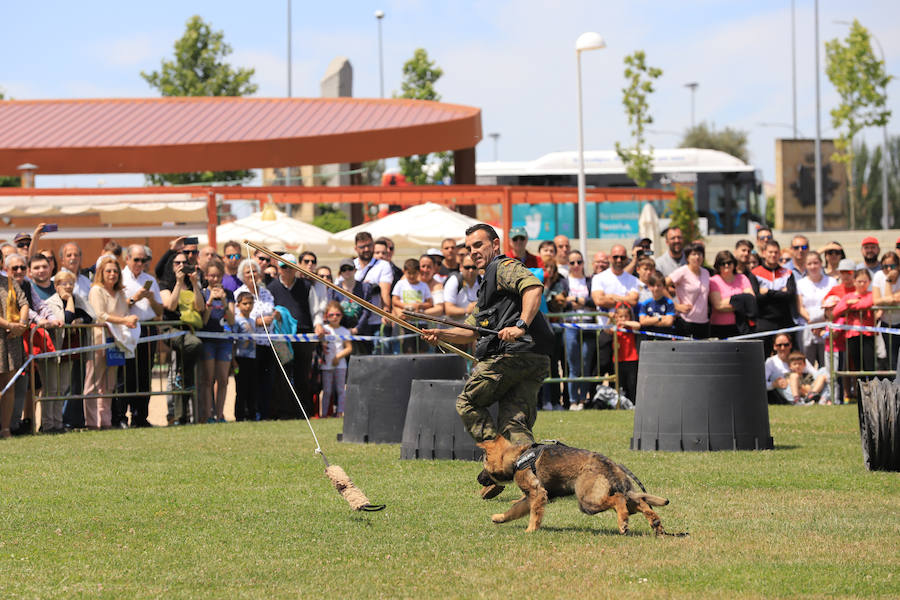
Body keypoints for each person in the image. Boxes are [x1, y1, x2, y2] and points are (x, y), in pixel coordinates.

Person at [421, 223, 552, 500]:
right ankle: (534, 481)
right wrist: (440, 334)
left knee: (467, 402)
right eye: (469, 248)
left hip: (511, 355)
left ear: (495, 244)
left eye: (479, 245)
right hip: (536, 358)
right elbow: (471, 330)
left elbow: (532, 287)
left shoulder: (502, 267)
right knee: (514, 423)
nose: (473, 252)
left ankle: (496, 464)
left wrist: (520, 325)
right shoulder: (486, 288)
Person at [268, 253, 325, 419]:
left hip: (304, 334)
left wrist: (318, 324)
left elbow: (316, 309)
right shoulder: (271, 288)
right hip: (281, 337)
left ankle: (303, 412)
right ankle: (284, 411)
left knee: (302, 373)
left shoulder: (306, 286)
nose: (287, 270)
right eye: (284, 266)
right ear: (279, 268)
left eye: (291, 267)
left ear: (296, 268)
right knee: (283, 373)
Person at [85, 257, 139, 430]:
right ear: (101, 272)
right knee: (93, 384)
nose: (112, 274)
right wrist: (124, 320)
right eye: (108, 271)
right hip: (99, 340)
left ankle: (105, 421)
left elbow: (123, 313)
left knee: (109, 384)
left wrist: (128, 320)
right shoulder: (96, 291)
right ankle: (92, 422)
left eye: (115, 271)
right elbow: (101, 315)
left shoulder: (121, 292)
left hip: (118, 342)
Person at [42, 270, 95, 433]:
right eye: (64, 283)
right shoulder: (51, 302)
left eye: (71, 283)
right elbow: (65, 319)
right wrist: (70, 301)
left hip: (69, 351)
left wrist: (81, 320)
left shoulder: (78, 298)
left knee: (62, 387)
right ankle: (48, 424)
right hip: (53, 350)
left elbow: (91, 316)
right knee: (51, 388)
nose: (68, 286)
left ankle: (58, 423)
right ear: (56, 286)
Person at [160, 251, 206, 425]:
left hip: (189, 330)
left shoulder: (192, 282)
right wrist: (178, 283)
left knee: (183, 376)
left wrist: (195, 284)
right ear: (171, 266)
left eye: (184, 262)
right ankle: (182, 378)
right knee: (195, 345)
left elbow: (200, 307)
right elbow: (170, 306)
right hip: (172, 329)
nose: (180, 266)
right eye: (177, 263)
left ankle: (182, 416)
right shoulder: (164, 284)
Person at [121, 244, 163, 428]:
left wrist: (151, 298)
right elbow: (116, 307)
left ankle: (140, 416)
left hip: (147, 329)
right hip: (127, 329)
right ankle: (122, 416)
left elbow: (160, 310)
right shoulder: (119, 278)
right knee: (126, 375)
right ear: (127, 259)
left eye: (143, 260)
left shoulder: (150, 279)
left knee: (145, 374)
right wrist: (134, 299)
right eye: (136, 259)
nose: (140, 263)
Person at [234, 258, 278, 420]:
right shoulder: (239, 293)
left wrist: (275, 316)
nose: (252, 274)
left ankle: (264, 413)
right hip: (249, 346)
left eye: (254, 271)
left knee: (267, 381)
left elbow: (271, 310)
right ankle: (248, 413)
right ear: (242, 275)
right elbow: (240, 318)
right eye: (248, 272)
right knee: (250, 383)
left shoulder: (266, 292)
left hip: (268, 342)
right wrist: (260, 322)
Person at [591, 244, 640, 382]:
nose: (619, 260)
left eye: (622, 257)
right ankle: (595, 398)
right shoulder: (599, 278)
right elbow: (599, 300)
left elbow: (634, 300)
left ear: (626, 259)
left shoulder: (632, 280)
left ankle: (619, 399)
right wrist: (624, 299)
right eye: (616, 257)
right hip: (606, 330)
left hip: (626, 333)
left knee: (622, 370)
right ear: (609, 258)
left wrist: (611, 296)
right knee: (601, 366)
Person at [199, 258, 235, 423]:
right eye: (211, 276)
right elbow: (204, 321)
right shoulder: (203, 293)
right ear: (206, 276)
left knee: (223, 379)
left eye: (218, 276)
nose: (214, 279)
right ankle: (208, 415)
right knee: (208, 379)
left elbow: (232, 320)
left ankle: (220, 414)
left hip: (224, 340)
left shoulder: (229, 294)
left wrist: (225, 303)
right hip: (208, 340)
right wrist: (210, 301)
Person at [752, 240, 799, 357]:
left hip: (784, 321)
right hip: (764, 322)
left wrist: (767, 292)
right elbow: (756, 298)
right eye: (770, 252)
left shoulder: (787, 273)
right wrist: (779, 293)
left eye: (776, 252)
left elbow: (790, 295)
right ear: (763, 253)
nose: (773, 255)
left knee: (790, 357)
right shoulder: (755, 273)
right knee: (762, 357)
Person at [0, 259, 29, 439]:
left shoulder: (9, 281)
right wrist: (10, 324)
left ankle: (5, 428)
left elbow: (24, 303)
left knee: (8, 386)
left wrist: (21, 324)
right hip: (6, 332)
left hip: (11, 340)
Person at [563, 250, 595, 410]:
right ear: (568, 265)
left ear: (583, 263)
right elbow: (562, 303)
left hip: (588, 325)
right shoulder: (565, 281)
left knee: (586, 362)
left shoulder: (590, 281)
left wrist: (576, 299)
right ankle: (573, 400)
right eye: (572, 262)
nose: (576, 266)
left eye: (579, 262)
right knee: (573, 365)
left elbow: (593, 302)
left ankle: (583, 399)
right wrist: (579, 302)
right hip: (571, 326)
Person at [834, 269, 876, 385]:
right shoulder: (848, 296)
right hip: (852, 334)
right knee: (857, 366)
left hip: (868, 334)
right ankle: (860, 395)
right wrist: (848, 303)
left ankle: (873, 393)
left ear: (869, 282)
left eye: (864, 281)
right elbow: (836, 310)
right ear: (854, 281)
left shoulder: (872, 294)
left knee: (869, 365)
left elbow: (867, 303)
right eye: (859, 281)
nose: (862, 284)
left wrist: (852, 304)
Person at [353, 232, 394, 352]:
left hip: (375, 321)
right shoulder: (350, 265)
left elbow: (385, 292)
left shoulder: (383, 265)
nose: (366, 249)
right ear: (356, 248)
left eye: (369, 246)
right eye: (362, 247)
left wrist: (386, 311)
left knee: (379, 360)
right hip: (356, 323)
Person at [796, 251, 837, 368]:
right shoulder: (800, 283)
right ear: (805, 265)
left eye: (816, 263)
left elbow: (833, 305)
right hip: (807, 328)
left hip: (826, 327)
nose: (813, 266)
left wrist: (821, 325)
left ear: (821, 263)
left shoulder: (831, 282)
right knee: (807, 365)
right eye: (809, 264)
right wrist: (813, 323)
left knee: (827, 365)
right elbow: (800, 307)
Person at [668, 243, 711, 339]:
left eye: (700, 254)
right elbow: (661, 285)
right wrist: (675, 305)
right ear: (687, 257)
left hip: (703, 321)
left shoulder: (706, 272)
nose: (697, 257)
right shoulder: (682, 271)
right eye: (694, 254)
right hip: (685, 321)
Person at [708, 250, 753, 339]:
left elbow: (750, 300)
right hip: (719, 327)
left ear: (734, 263)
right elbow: (718, 306)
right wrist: (741, 303)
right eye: (722, 263)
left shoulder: (742, 278)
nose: (726, 266)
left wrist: (728, 301)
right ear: (717, 265)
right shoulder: (713, 281)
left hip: (741, 326)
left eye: (729, 262)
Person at [392, 259, 433, 353]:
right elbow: (394, 300)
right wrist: (406, 306)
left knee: (422, 349)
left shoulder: (423, 285)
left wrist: (419, 306)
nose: (411, 276)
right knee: (408, 349)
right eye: (409, 273)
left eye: (414, 273)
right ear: (404, 271)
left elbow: (429, 303)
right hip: (406, 322)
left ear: (419, 272)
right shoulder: (400, 284)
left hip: (421, 323)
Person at [320, 301, 352, 418]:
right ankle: (323, 414)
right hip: (326, 364)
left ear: (342, 316)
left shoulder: (344, 331)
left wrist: (338, 357)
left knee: (340, 389)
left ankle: (340, 412)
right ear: (326, 316)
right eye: (331, 315)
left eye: (337, 315)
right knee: (327, 390)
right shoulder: (323, 329)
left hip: (341, 364)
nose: (334, 317)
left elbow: (349, 348)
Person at [232, 291, 259, 422]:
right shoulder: (237, 321)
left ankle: (252, 414)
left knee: (252, 387)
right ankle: (240, 415)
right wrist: (233, 361)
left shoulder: (252, 321)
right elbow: (233, 341)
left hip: (252, 358)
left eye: (250, 303)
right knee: (241, 388)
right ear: (238, 305)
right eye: (245, 303)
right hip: (239, 358)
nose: (248, 306)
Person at [872, 251, 900, 371]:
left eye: (892, 266)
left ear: (898, 266)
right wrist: (888, 281)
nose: (888, 269)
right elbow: (876, 300)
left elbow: (892, 301)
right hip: (886, 324)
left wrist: (888, 281)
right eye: (885, 266)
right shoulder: (878, 276)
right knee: (892, 360)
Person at [611, 302, 640, 404]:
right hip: (618, 360)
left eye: (626, 316)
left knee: (632, 384)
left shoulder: (630, 327)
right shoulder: (615, 327)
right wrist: (613, 320)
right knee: (620, 384)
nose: (623, 319)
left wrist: (625, 323)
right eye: (620, 316)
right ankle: (620, 403)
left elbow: (638, 325)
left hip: (631, 359)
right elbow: (607, 330)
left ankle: (633, 403)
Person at [443, 253, 480, 323]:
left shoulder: (482, 281)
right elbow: (448, 309)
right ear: (461, 267)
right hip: (456, 325)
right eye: (467, 267)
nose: (471, 270)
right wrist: (467, 310)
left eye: (474, 267)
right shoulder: (454, 280)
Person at [637, 273, 677, 338]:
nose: (656, 288)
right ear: (649, 286)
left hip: (665, 338)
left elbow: (669, 322)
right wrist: (660, 318)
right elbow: (642, 321)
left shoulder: (669, 303)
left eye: (659, 285)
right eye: (653, 285)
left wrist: (649, 320)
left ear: (664, 287)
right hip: (648, 338)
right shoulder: (645, 303)